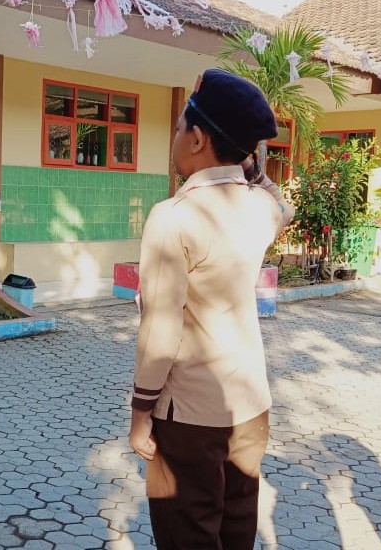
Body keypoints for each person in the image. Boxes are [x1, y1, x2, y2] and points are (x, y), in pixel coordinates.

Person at [128, 69, 295, 549]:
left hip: (190, 418)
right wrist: (250, 167)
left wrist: (140, 413)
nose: (176, 137)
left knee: (189, 537)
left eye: (180, 127)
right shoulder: (259, 208)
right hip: (250, 409)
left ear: (198, 139)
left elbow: (161, 330)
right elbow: (282, 206)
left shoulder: (174, 217)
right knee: (235, 533)